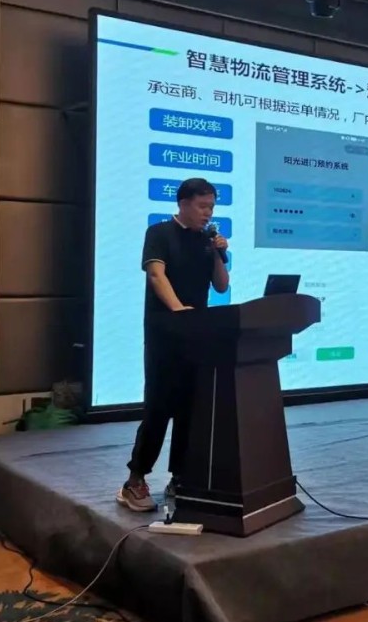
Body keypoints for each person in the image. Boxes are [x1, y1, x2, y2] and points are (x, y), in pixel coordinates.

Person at [117, 178, 229, 512]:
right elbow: (156, 275)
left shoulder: (207, 241)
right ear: (183, 203)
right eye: (202, 206)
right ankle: (134, 480)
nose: (208, 213)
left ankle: (180, 478)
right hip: (165, 332)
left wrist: (219, 254)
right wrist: (179, 311)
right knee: (158, 407)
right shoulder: (159, 233)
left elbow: (221, 286)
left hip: (196, 334)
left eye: (211, 207)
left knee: (190, 411)